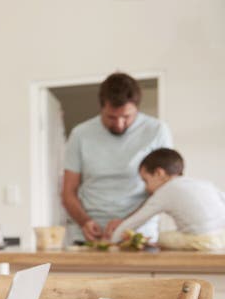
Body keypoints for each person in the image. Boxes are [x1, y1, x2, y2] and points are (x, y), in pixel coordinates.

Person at [61, 72, 173, 244]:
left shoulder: (157, 130)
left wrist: (127, 223)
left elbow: (164, 190)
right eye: (111, 117)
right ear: (101, 108)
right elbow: (68, 192)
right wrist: (85, 221)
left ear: (137, 108)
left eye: (127, 117)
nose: (119, 124)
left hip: (139, 234)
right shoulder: (80, 134)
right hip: (89, 236)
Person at [110, 148, 225, 250]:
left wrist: (113, 241)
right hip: (221, 238)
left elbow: (136, 220)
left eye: (146, 180)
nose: (146, 187)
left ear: (159, 173)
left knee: (160, 237)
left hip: (201, 242)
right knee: (174, 234)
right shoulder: (202, 183)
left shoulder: (165, 191)